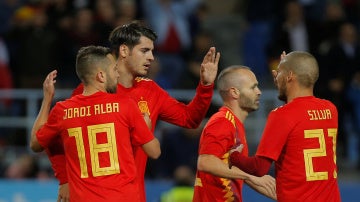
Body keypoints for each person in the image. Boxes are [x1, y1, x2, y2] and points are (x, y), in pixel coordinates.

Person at [41, 21, 220, 201]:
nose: (151, 57)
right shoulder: (89, 89)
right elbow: (53, 138)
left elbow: (190, 119)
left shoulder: (151, 91)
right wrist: (64, 179)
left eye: (152, 51)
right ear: (124, 51)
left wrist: (205, 86)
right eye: (144, 51)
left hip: (131, 195)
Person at [30, 46, 161, 201]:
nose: (118, 74)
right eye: (114, 69)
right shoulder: (125, 105)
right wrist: (146, 127)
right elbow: (154, 152)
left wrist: (47, 99)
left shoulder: (62, 111)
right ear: (101, 75)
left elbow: (35, 144)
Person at [229, 51, 341, 202]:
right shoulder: (331, 109)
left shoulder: (282, 115)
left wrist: (234, 157)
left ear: (289, 76)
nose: (275, 76)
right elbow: (298, 116)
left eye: (279, 72)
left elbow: (259, 167)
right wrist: (286, 76)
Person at [193, 66, 276, 201]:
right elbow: (205, 162)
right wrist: (250, 176)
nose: (259, 92)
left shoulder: (234, 124)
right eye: (253, 87)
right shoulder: (223, 122)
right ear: (235, 92)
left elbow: (230, 168)